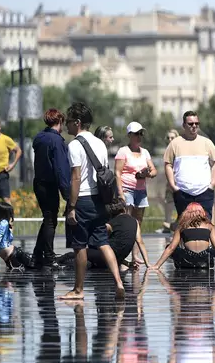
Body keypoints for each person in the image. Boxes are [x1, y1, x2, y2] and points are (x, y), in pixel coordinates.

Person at [62, 102, 125, 301]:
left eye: (69, 122)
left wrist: (71, 207)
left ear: (78, 122)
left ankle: (78, 290)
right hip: (100, 201)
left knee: (80, 246)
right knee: (103, 243)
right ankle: (119, 282)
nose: (67, 126)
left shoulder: (74, 145)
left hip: (82, 200)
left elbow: (76, 178)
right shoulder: (99, 143)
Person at [31, 108, 71, 265]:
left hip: (39, 183)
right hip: (49, 185)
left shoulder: (39, 137)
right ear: (59, 121)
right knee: (50, 221)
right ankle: (48, 255)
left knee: (48, 219)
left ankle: (37, 254)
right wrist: (67, 194)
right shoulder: (57, 141)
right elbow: (60, 169)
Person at [163, 111, 215, 219]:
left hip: (204, 192)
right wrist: (173, 186)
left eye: (196, 123)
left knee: (206, 225)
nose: (194, 126)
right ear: (184, 125)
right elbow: (168, 164)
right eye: (190, 124)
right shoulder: (175, 143)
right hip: (182, 193)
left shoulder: (206, 142)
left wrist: (212, 184)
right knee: (184, 226)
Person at [152, 202, 215, 271]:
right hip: (206, 262)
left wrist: (157, 265)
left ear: (186, 212)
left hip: (186, 261)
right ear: (202, 212)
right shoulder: (209, 226)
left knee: (168, 247)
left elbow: (171, 248)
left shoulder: (181, 226)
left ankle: (180, 264)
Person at [114, 122, 156, 224]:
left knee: (138, 221)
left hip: (141, 190)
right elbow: (117, 173)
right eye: (136, 134)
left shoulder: (145, 152)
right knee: (127, 219)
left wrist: (148, 174)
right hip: (127, 189)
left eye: (141, 133)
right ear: (129, 135)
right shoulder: (123, 151)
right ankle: (129, 240)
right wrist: (120, 193)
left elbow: (154, 170)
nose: (139, 136)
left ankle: (136, 240)